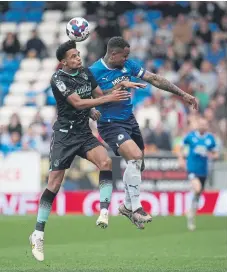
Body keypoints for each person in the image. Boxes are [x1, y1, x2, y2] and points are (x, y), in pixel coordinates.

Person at [29, 40, 143, 262]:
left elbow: (100, 92)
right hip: (64, 136)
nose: (78, 58)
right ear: (63, 62)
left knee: (106, 162)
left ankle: (103, 211)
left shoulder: (84, 72)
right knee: (54, 184)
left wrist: (121, 86)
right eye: (73, 56)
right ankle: (38, 233)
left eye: (78, 54)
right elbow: (79, 103)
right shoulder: (58, 79)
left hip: (83, 134)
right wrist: (101, 102)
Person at [89, 36, 198, 230]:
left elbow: (155, 79)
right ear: (113, 54)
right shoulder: (94, 72)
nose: (127, 59)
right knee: (135, 156)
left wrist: (183, 94)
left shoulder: (128, 65)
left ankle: (126, 207)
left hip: (129, 121)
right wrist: (94, 108)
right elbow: (85, 100)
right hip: (109, 124)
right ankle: (136, 208)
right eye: (124, 56)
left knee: (139, 164)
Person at [178, 118, 219, 231]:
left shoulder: (210, 139)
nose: (203, 126)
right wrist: (181, 159)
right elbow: (180, 147)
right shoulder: (191, 136)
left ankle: (191, 215)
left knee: (198, 194)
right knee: (197, 188)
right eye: (201, 124)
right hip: (192, 169)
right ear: (198, 125)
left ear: (207, 126)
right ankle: (191, 212)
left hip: (203, 171)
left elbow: (215, 153)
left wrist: (213, 155)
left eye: (205, 125)